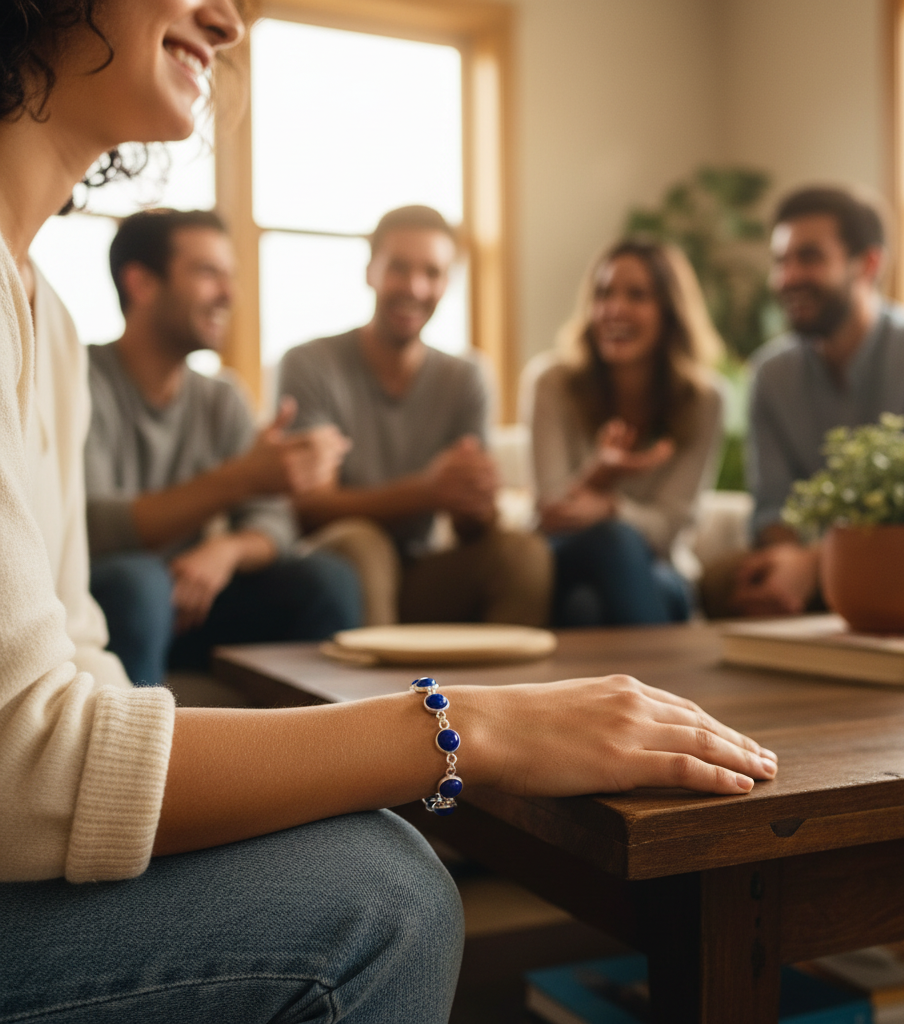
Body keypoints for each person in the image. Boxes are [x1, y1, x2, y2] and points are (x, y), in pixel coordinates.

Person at [0, 4, 777, 1022]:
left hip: (413, 573)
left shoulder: (39, 312)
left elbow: (79, 665)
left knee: (382, 856)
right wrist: (464, 723)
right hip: (320, 573)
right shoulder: (282, 360)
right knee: (389, 900)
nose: (227, 19)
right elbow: (27, 759)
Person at [700, 185, 904, 619]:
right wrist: (789, 564)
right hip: (809, 560)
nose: (787, 277)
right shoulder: (769, 375)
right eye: (781, 260)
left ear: (868, 263)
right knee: (721, 583)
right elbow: (774, 509)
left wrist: (818, 561)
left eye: (809, 257)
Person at [84, 208, 362, 686]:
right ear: (142, 284)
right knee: (140, 582)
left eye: (230, 276)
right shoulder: (82, 380)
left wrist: (227, 550)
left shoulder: (222, 397)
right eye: (208, 273)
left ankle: (327, 754)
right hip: (113, 600)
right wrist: (239, 479)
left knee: (329, 580)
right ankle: (138, 753)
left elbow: (273, 522)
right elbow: (96, 524)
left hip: (197, 601)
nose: (230, 294)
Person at [279, 205, 552, 627]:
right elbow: (309, 509)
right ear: (370, 271)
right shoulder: (309, 363)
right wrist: (428, 490)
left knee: (523, 554)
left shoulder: (467, 376)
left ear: (448, 283)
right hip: (334, 569)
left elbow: (468, 530)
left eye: (432, 273)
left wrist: (476, 500)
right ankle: (382, 695)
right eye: (399, 268)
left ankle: (500, 696)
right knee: (365, 543)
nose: (415, 287)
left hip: (420, 573)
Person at [523, 239, 725, 626]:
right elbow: (549, 512)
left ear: (670, 311)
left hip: (657, 567)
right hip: (564, 556)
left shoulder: (705, 400)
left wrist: (611, 507)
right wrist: (600, 475)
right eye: (603, 294)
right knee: (614, 542)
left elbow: (669, 530)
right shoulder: (551, 383)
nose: (614, 309)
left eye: (637, 295)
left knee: (587, 609)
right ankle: (660, 688)